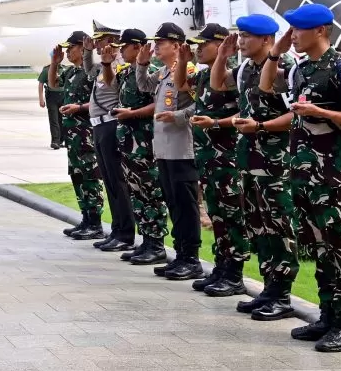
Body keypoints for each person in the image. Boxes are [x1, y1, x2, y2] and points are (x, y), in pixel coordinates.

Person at [262, 4, 341, 352]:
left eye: (299, 30)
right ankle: (327, 316)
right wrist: (275, 53)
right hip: (303, 174)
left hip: (332, 176)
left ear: (321, 31)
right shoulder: (302, 69)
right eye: (292, 29)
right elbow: (269, 89)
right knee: (321, 247)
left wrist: (320, 112)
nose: (293, 35)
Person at [211, 14, 298, 321]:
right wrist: (222, 56)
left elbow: (295, 115)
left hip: (275, 162)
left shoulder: (284, 68)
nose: (242, 41)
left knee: (279, 225)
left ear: (266, 40)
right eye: (240, 35)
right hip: (249, 160)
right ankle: (268, 289)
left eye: (247, 36)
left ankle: (283, 294)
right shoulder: (247, 67)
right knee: (259, 227)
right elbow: (218, 85)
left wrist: (261, 126)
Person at [177, 23, 250, 297]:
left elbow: (245, 114)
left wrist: (216, 123)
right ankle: (221, 268)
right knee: (218, 214)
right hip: (208, 158)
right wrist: (184, 61)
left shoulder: (233, 76)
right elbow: (181, 85)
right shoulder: (204, 75)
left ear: (221, 45)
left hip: (228, 158)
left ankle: (234, 274)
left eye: (202, 44)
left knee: (232, 215)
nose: (197, 49)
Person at [136, 23, 203, 281]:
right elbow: (143, 87)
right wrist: (141, 64)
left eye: (161, 43)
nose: (156, 47)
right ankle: (181, 255)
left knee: (186, 207)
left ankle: (192, 259)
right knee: (174, 205)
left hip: (182, 149)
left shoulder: (189, 71)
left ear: (176, 46)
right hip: (164, 149)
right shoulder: (165, 71)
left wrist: (175, 116)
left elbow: (200, 104)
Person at [106, 28, 169, 265]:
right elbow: (109, 84)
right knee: (136, 191)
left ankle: (157, 243)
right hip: (129, 140)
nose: (120, 51)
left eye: (124, 47)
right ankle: (146, 240)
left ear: (137, 47)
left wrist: (132, 114)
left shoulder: (152, 72)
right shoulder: (128, 72)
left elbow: (158, 104)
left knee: (150, 190)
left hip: (144, 141)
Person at [48, 30, 104, 239]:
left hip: (86, 133)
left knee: (90, 177)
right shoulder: (72, 73)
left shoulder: (94, 72)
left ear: (83, 48)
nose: (68, 52)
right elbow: (53, 84)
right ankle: (85, 218)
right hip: (72, 136)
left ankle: (95, 222)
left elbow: (102, 101)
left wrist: (79, 107)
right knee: (77, 176)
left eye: (71, 48)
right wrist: (55, 62)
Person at [85, 24, 135, 252]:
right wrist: (89, 54)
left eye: (100, 40)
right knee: (109, 181)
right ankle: (117, 229)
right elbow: (90, 72)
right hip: (99, 127)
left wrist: (106, 63)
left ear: (112, 42)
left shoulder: (117, 65)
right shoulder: (105, 65)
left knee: (117, 181)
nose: (96, 44)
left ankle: (125, 233)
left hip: (111, 124)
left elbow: (111, 82)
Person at [38, 62, 67, 149]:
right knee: (54, 119)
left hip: (63, 96)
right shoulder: (47, 69)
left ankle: (61, 140)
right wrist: (41, 99)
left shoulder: (65, 69)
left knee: (63, 119)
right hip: (51, 96)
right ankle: (55, 141)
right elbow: (41, 84)